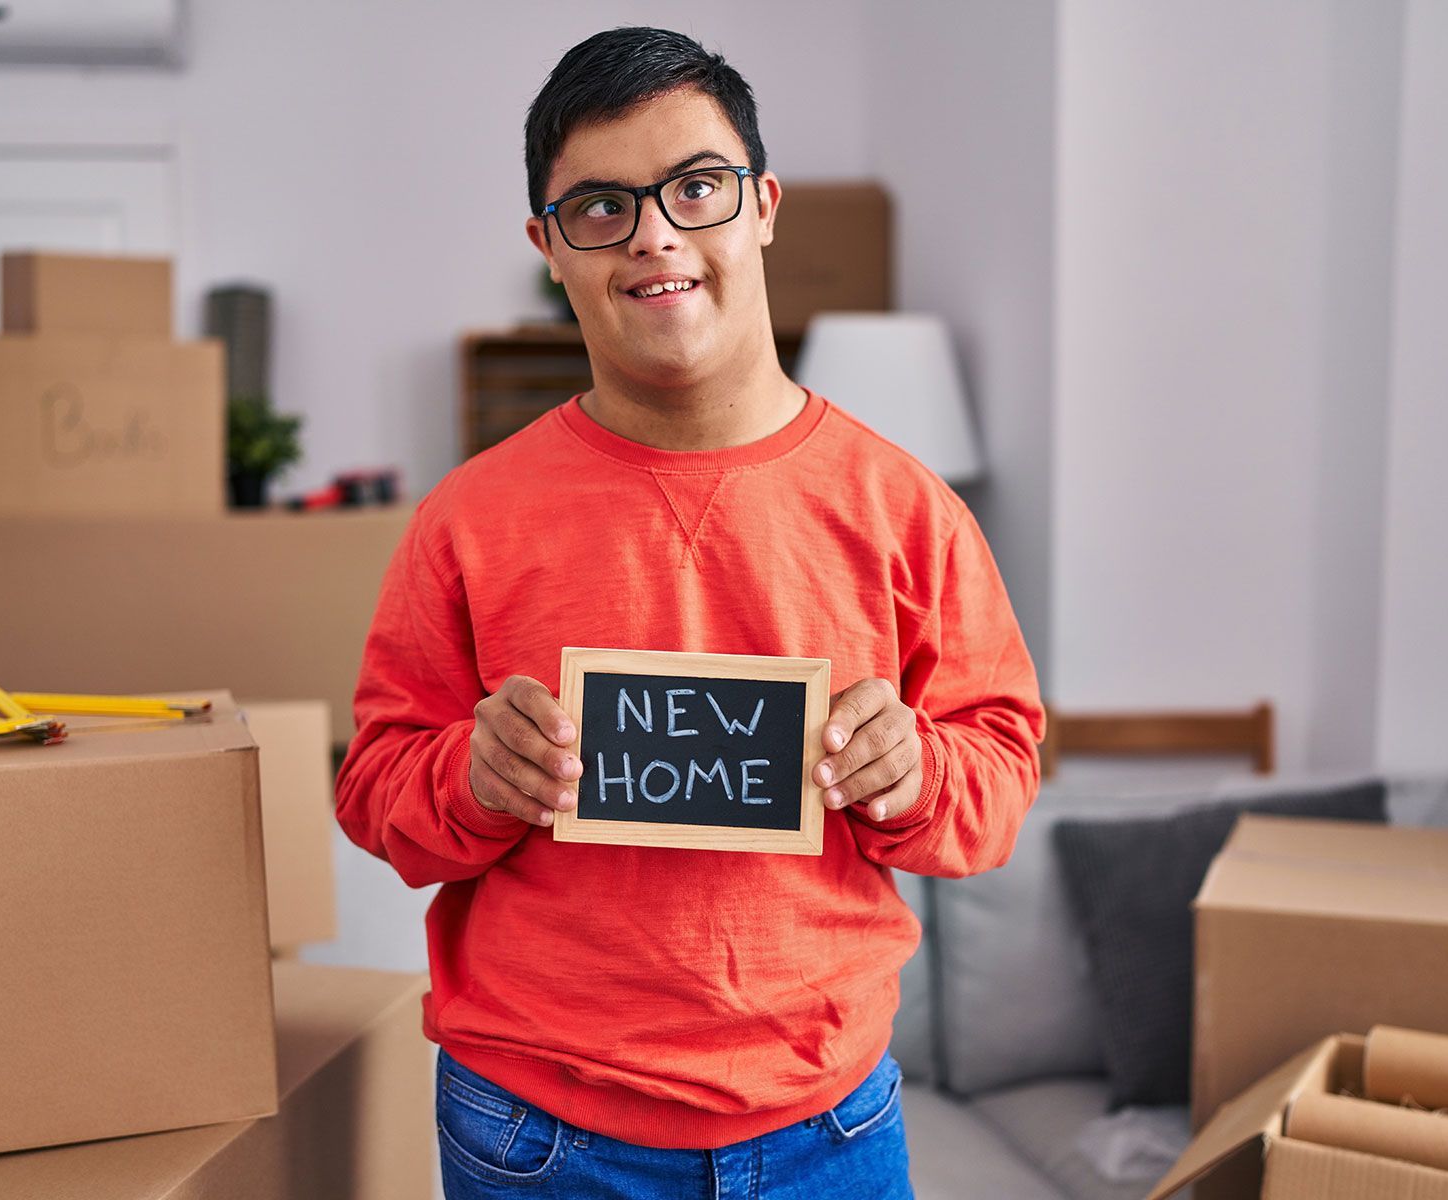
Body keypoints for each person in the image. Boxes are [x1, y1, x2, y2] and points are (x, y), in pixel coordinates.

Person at [335, 25, 1043, 1198]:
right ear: (549, 249)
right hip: (535, 1133)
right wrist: (472, 777)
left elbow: (1001, 782)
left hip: (831, 1124)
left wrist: (912, 773)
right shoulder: (466, 520)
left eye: (695, 187)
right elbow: (374, 791)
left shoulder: (907, 510)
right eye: (600, 207)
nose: (655, 232)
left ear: (761, 205)